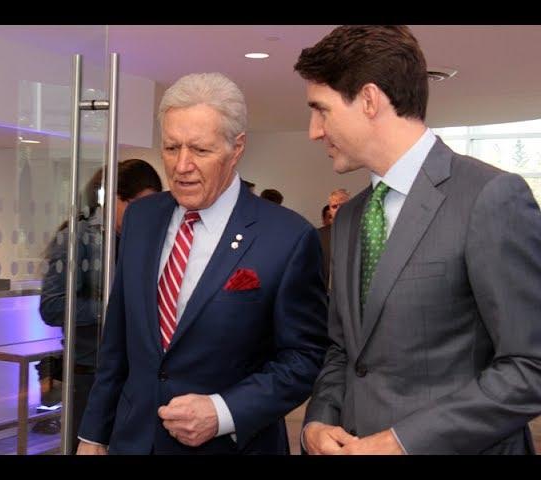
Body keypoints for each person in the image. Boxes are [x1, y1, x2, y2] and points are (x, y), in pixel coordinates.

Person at [294, 25, 541, 454]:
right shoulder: (351, 216)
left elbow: (531, 366)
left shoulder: (491, 197)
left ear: (369, 100)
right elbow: (344, 350)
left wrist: (402, 442)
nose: (314, 131)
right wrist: (318, 420)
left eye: (322, 110)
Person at [77, 72, 328, 454]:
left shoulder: (288, 237)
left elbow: (305, 357)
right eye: (171, 148)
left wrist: (223, 411)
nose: (181, 166)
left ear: (237, 147)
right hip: (134, 441)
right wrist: (94, 434)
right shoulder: (142, 218)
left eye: (200, 150)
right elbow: (118, 340)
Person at [37, 159, 162, 452]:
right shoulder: (78, 237)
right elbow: (52, 307)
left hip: (135, 373)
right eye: (136, 205)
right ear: (113, 198)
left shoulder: (142, 239)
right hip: (89, 373)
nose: (144, 215)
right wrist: (114, 308)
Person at [317, 189, 350, 293]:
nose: (339, 209)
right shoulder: (318, 234)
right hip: (325, 293)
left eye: (343, 205)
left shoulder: (362, 232)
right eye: (334, 206)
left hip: (351, 292)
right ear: (330, 210)